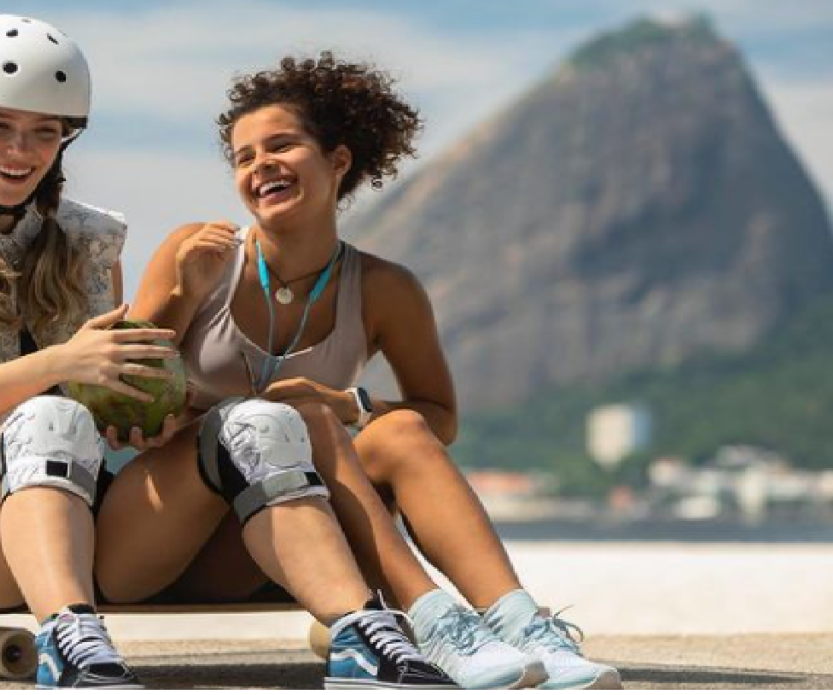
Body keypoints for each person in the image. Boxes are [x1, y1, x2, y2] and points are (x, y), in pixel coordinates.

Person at [0, 15, 453, 691]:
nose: (21, 150)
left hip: (93, 513)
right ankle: (70, 642)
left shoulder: (93, 240)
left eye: (44, 131)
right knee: (52, 419)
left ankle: (362, 636)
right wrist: (59, 366)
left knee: (257, 421)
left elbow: (121, 407)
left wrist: (153, 414)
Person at [130, 52, 622, 690]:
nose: (258, 167)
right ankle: (435, 619)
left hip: (307, 542)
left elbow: (440, 416)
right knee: (297, 418)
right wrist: (180, 296)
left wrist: (349, 406)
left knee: (399, 432)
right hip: (184, 535)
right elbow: (124, 391)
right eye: (243, 157)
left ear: (338, 161)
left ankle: (524, 627)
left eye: (281, 145)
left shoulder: (386, 288)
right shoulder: (196, 252)